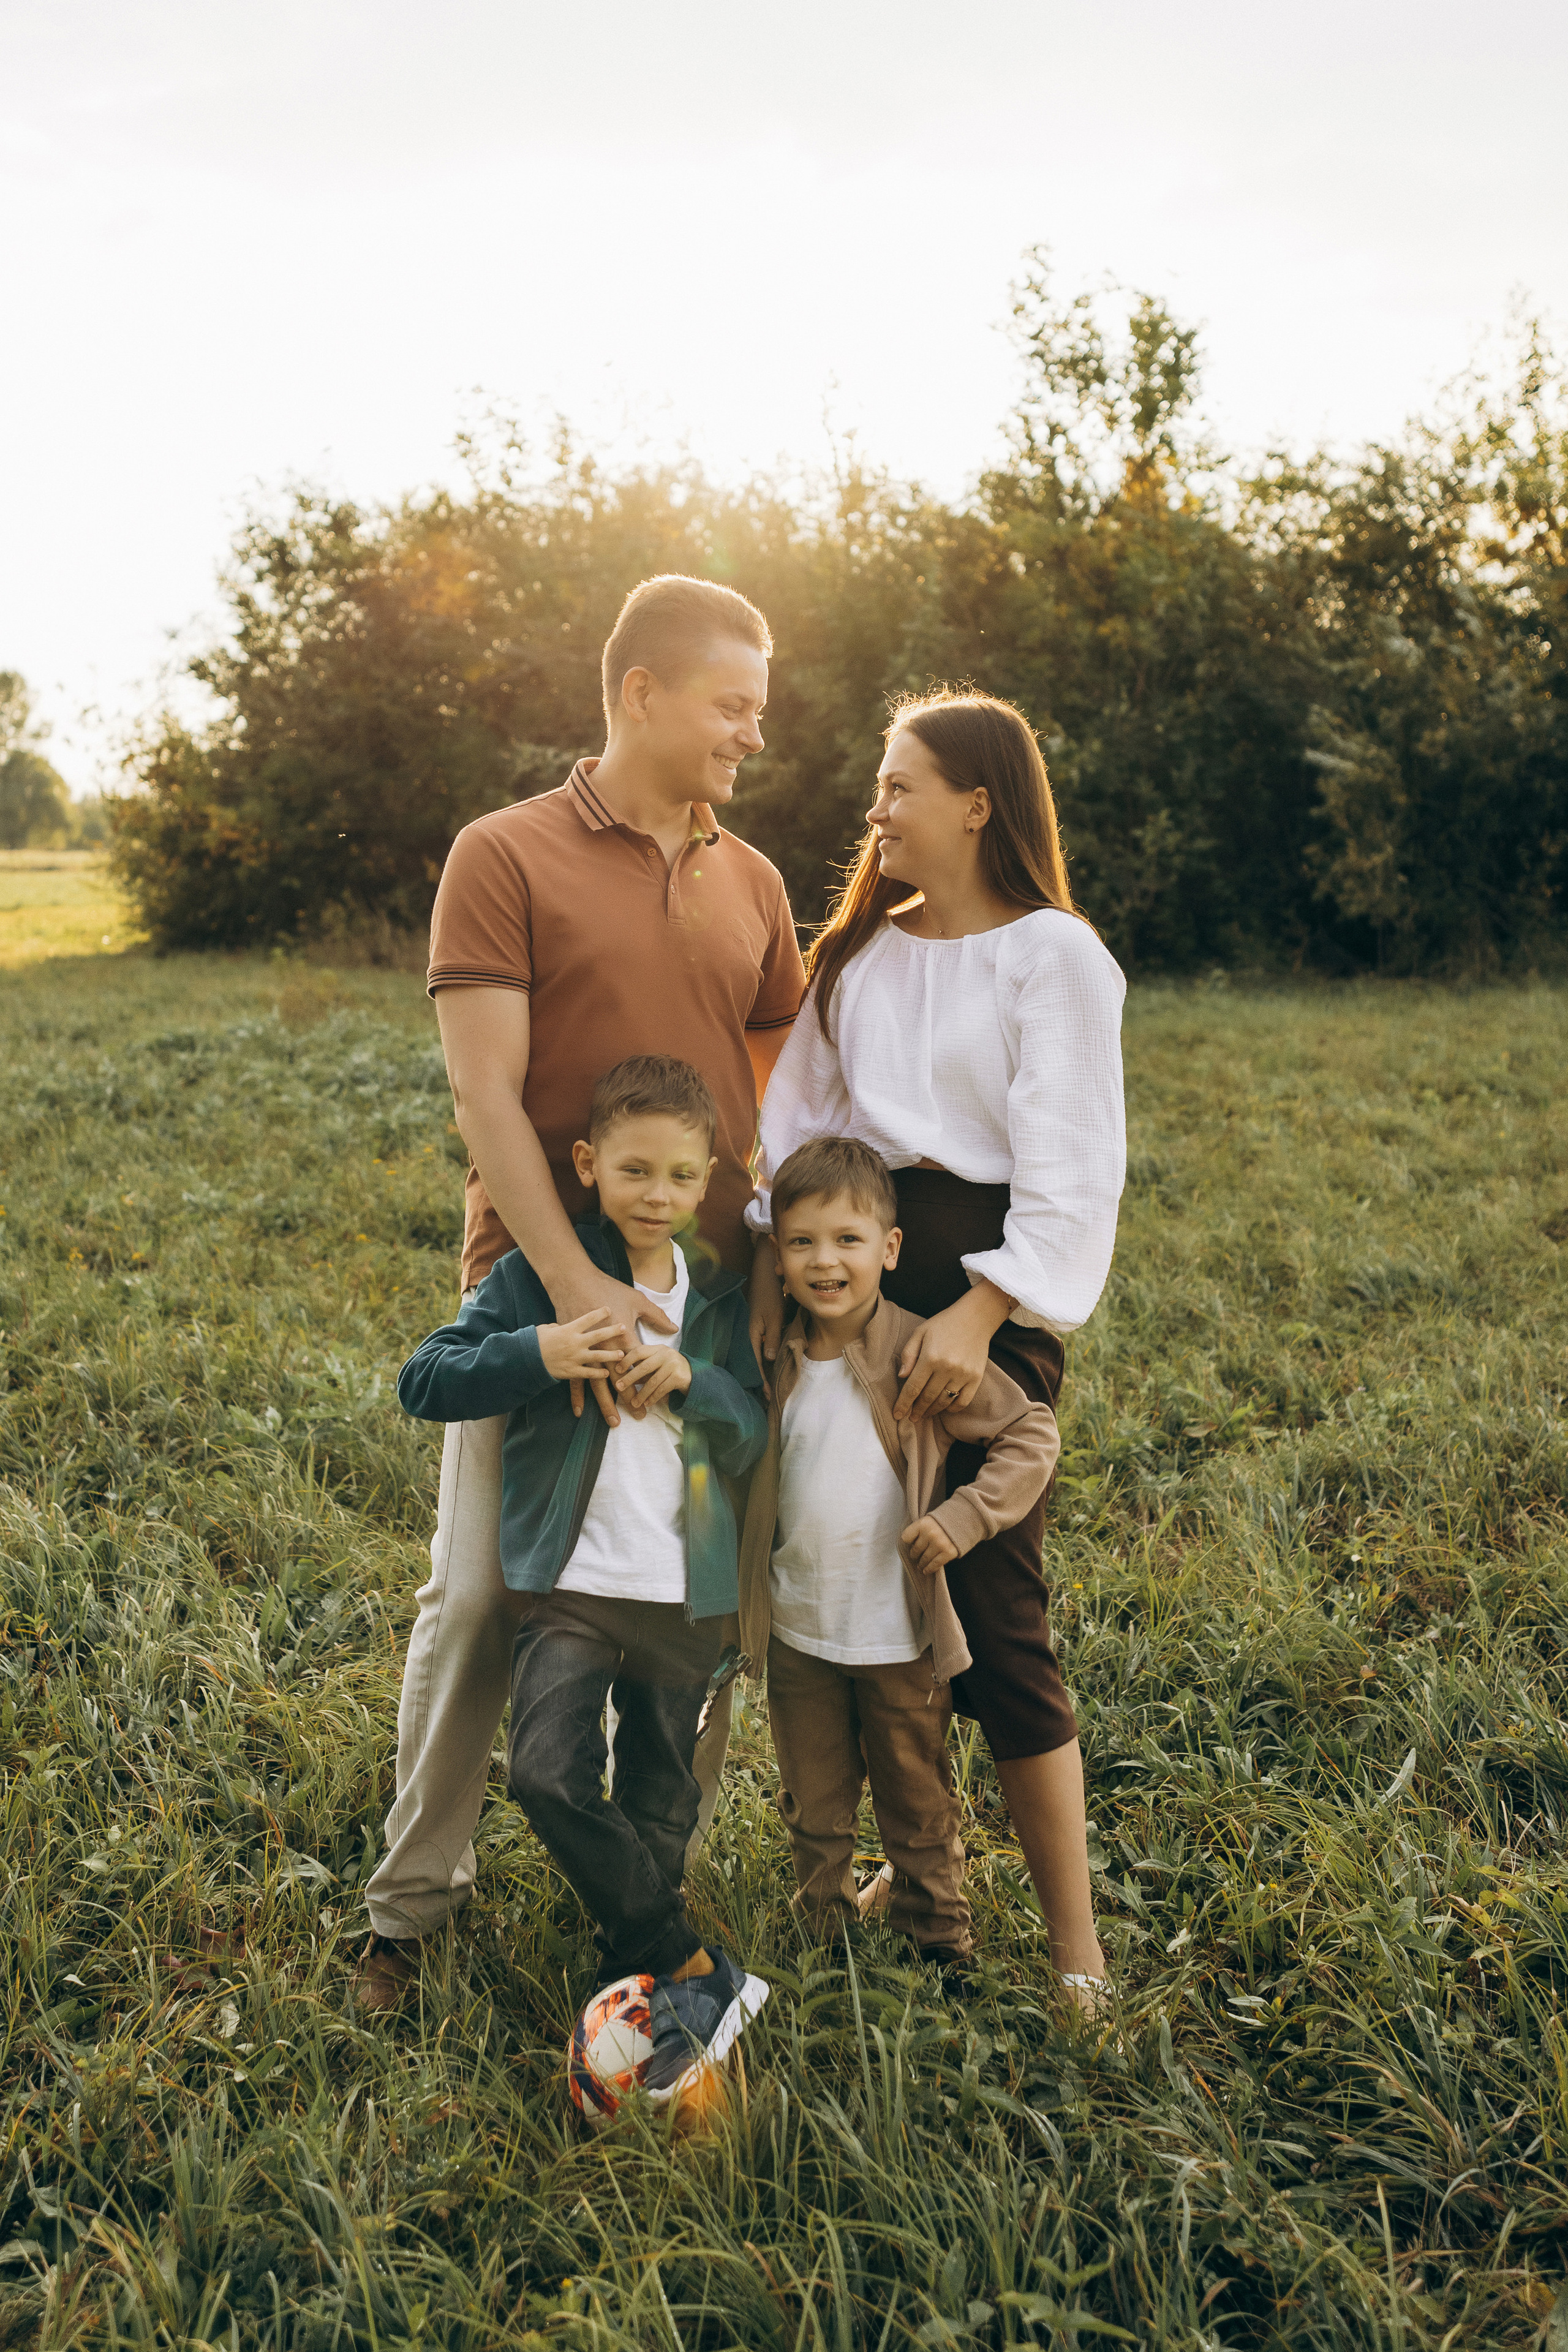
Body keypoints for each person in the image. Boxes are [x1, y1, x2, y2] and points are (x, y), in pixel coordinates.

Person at [356, 574, 805, 2012]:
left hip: (706, 1316)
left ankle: (651, 1899)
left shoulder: (755, 883)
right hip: (538, 1295)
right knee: (483, 1599)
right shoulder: (503, 853)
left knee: (692, 1593)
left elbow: (777, 1100)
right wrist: (572, 1297)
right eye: (732, 704)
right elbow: (483, 1091)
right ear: (641, 693)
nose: (752, 733)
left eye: (759, 707)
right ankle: (406, 1911)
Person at [747, 688, 1126, 2012]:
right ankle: (913, 1867)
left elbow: (1073, 1167)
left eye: (898, 785)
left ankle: (1073, 1947)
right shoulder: (859, 955)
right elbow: (795, 1126)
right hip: (848, 1277)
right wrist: (788, 1289)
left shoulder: (1052, 957)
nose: (875, 808)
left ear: (977, 802)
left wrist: (981, 1314)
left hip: (980, 1290)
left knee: (991, 1604)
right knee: (864, 1574)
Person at [397, 1057, 769, 2076]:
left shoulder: (721, 1296)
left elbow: (750, 1431)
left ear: (709, 1180)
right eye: (635, 1170)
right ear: (587, 1164)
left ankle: (638, 1982)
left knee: (662, 1799)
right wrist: (544, 1351)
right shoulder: (528, 1279)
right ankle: (683, 1958)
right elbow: (424, 1379)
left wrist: (694, 1379)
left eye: (682, 1178)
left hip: (683, 1595)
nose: (658, 1196)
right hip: (573, 1587)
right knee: (548, 1772)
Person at [738, 1136, 1059, 1972]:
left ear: (890, 1250)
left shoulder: (919, 1353)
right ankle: (824, 1935)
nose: (824, 1261)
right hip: (800, 1633)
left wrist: (964, 1519)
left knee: (917, 1804)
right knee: (815, 1803)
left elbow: (1030, 1434)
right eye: (802, 1242)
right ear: (777, 1253)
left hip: (899, 1641)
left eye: (847, 1241)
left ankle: (938, 1940)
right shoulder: (771, 1356)